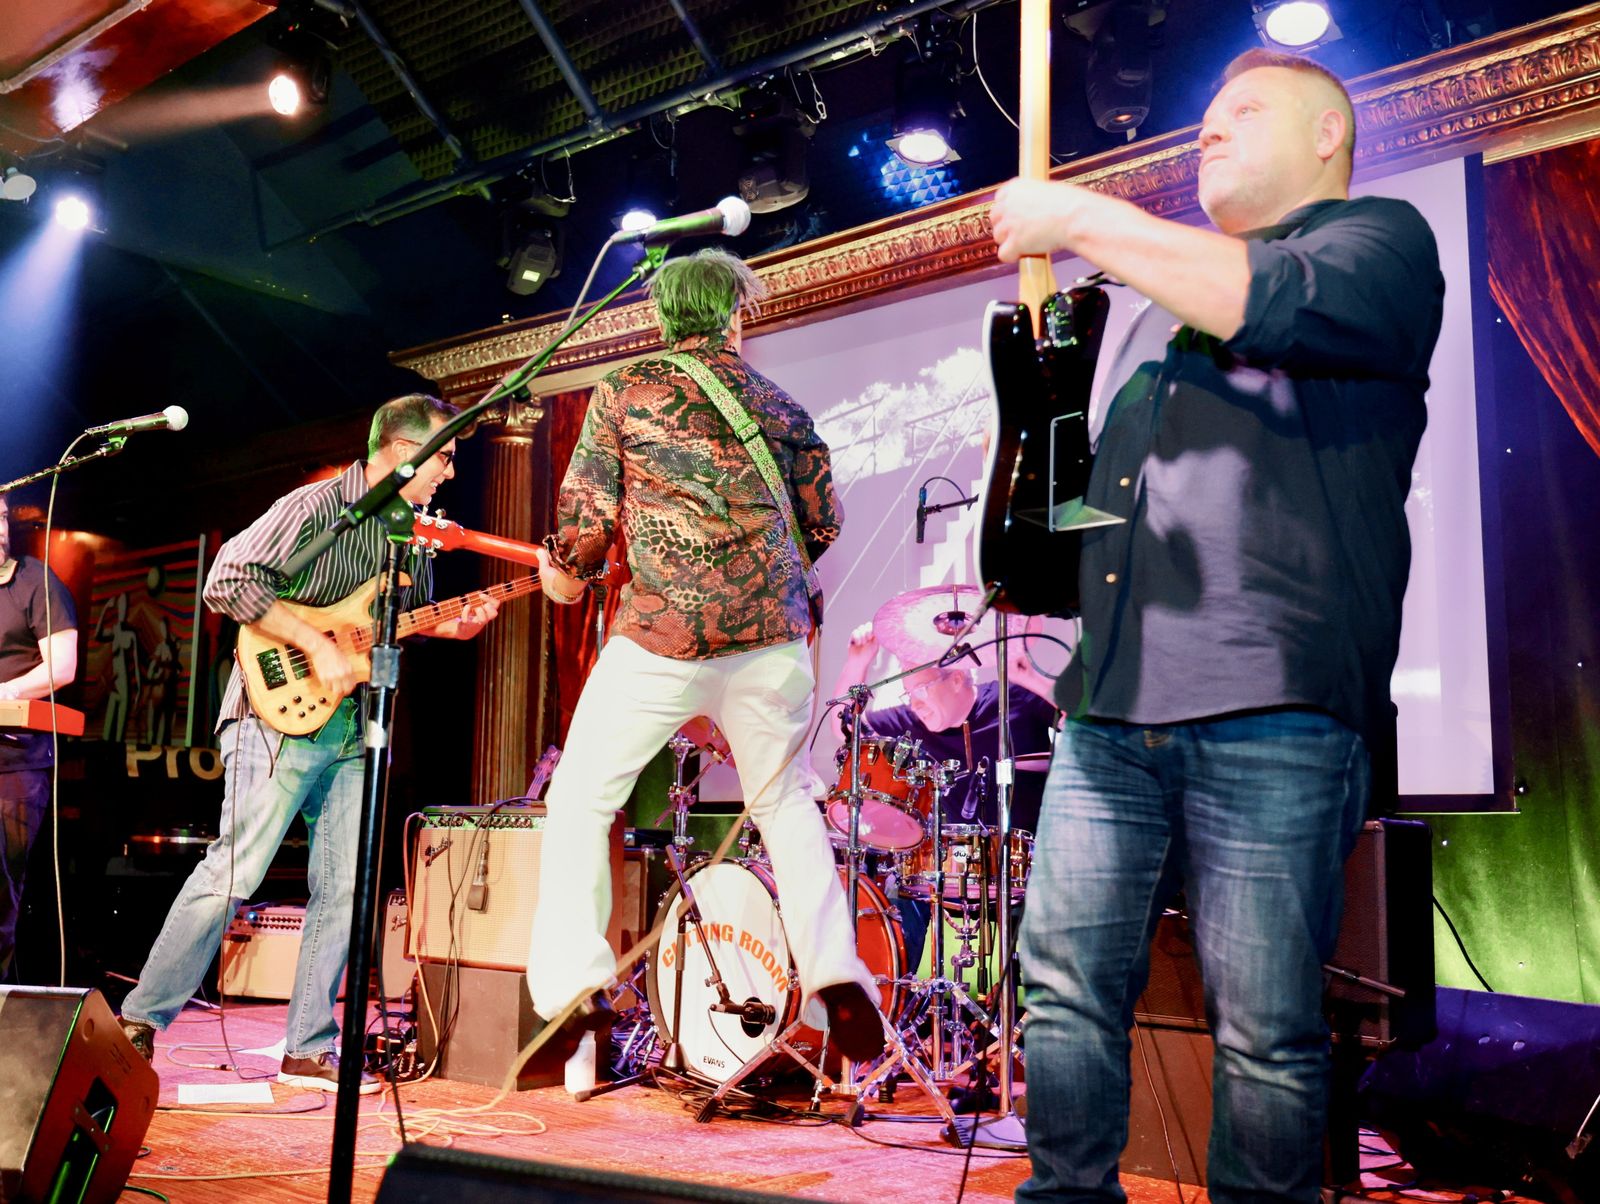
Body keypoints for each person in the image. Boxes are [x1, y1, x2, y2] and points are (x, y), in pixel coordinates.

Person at [989, 49, 1444, 1201]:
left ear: (1328, 135)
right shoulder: (1161, 335)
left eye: (1242, 111)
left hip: (1275, 706)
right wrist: (1034, 461)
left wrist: (1075, 216)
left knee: (1264, 1028)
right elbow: (1084, 531)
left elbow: (1274, 300)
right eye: (1204, 117)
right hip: (1107, 712)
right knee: (1061, 991)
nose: (1206, 131)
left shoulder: (1381, 243)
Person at [527, 248, 885, 1063]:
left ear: (663, 315)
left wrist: (566, 574)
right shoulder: (782, 405)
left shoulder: (626, 388)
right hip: (771, 642)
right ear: (734, 314)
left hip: (663, 635)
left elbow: (586, 528)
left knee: (582, 796)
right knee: (784, 803)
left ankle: (575, 988)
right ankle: (836, 973)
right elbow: (823, 523)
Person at [117, 394, 499, 1091]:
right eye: (444, 457)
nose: (450, 472)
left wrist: (453, 625)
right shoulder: (318, 506)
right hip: (274, 714)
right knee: (235, 872)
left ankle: (308, 1047)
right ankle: (138, 1021)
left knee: (345, 887)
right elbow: (226, 580)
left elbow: (391, 624)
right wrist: (311, 644)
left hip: (353, 723)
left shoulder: (409, 533)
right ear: (403, 451)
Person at [831, 617, 1059, 968]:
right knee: (900, 889)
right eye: (908, 693)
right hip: (949, 870)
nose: (914, 703)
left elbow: (1081, 718)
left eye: (921, 690)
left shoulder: (1014, 699)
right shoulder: (912, 723)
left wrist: (1028, 675)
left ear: (956, 679)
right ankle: (903, 993)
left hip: (1029, 865)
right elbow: (846, 729)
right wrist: (857, 661)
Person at [0, 494, 78, 981]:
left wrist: (6, 692)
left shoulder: (33, 580)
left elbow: (62, 667)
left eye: (1, 518)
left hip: (14, 759)